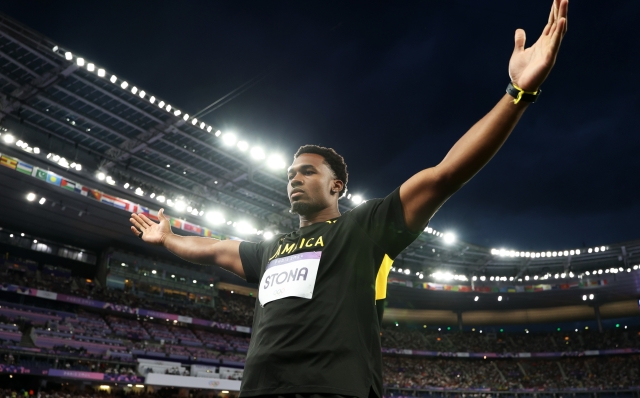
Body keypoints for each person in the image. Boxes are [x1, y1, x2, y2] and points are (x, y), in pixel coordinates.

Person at [129, 1, 568, 397]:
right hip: (261, 390)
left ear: (337, 186)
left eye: (307, 171)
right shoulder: (270, 250)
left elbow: (445, 174)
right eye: (289, 174)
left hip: (337, 391)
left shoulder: (367, 227)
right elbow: (212, 249)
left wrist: (517, 95)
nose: (294, 179)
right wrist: (168, 237)